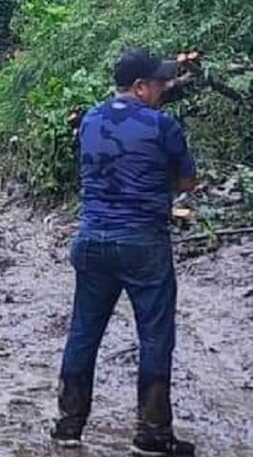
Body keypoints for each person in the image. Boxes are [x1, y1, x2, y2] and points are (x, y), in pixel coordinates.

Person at [51, 47, 197, 456]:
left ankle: (68, 425)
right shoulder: (162, 125)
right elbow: (187, 183)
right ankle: (153, 433)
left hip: (91, 239)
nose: (165, 89)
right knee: (154, 335)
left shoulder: (90, 120)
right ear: (140, 86)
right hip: (143, 244)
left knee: (83, 332)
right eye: (159, 83)